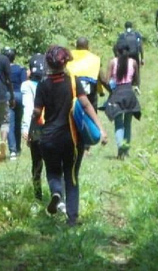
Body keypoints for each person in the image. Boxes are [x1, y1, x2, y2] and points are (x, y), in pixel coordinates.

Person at [33, 45, 108, 227]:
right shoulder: (73, 82)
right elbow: (87, 105)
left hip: (48, 138)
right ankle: (72, 219)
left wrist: (32, 134)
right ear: (66, 62)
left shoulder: (42, 84)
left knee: (52, 171)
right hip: (71, 139)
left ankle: (57, 194)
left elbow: (36, 113)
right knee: (72, 176)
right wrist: (101, 128)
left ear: (48, 64)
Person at [104, 42, 142, 159]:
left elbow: (106, 80)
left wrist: (112, 88)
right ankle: (126, 150)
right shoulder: (134, 62)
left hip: (117, 94)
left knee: (118, 123)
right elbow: (136, 80)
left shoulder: (112, 62)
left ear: (116, 51)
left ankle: (120, 146)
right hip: (129, 94)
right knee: (128, 124)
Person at [21, 53, 47, 201]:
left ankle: (38, 196)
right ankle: (57, 194)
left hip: (36, 127)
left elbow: (29, 108)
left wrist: (26, 129)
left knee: (37, 163)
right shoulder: (50, 83)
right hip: (52, 126)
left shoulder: (27, 85)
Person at [2, 47, 27, 160]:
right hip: (20, 96)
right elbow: (25, 83)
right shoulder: (21, 69)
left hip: (7, 96)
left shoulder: (2, 70)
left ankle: (12, 151)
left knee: (10, 124)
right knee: (18, 123)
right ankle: (18, 148)